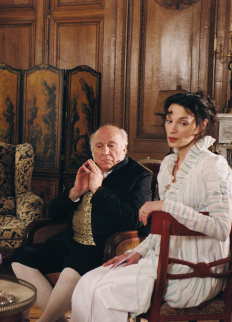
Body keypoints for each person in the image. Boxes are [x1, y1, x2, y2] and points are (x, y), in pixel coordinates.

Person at [71, 92, 232, 322]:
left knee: (104, 293)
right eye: (169, 120)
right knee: (86, 283)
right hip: (161, 259)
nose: (172, 129)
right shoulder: (168, 165)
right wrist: (138, 252)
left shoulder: (214, 166)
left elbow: (220, 228)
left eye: (183, 122)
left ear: (201, 125)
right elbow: (161, 229)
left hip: (196, 270)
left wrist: (166, 205)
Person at [10, 125, 152, 322]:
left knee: (75, 263)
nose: (105, 151)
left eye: (112, 145)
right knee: (21, 256)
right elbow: (55, 213)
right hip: (71, 241)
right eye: (99, 146)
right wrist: (74, 193)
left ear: (124, 148)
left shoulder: (139, 175)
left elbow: (133, 220)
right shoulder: (85, 167)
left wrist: (99, 191)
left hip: (105, 248)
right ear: (92, 149)